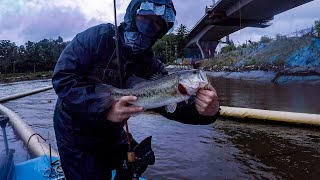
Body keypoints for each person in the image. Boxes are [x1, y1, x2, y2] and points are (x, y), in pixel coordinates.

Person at [52, 0, 220, 179]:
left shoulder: (151, 66)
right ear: (132, 14)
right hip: (75, 129)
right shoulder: (95, 38)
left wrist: (207, 111)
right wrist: (105, 110)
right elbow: (63, 78)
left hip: (111, 130)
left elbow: (171, 105)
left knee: (141, 157)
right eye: (146, 16)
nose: (150, 25)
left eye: (158, 23)